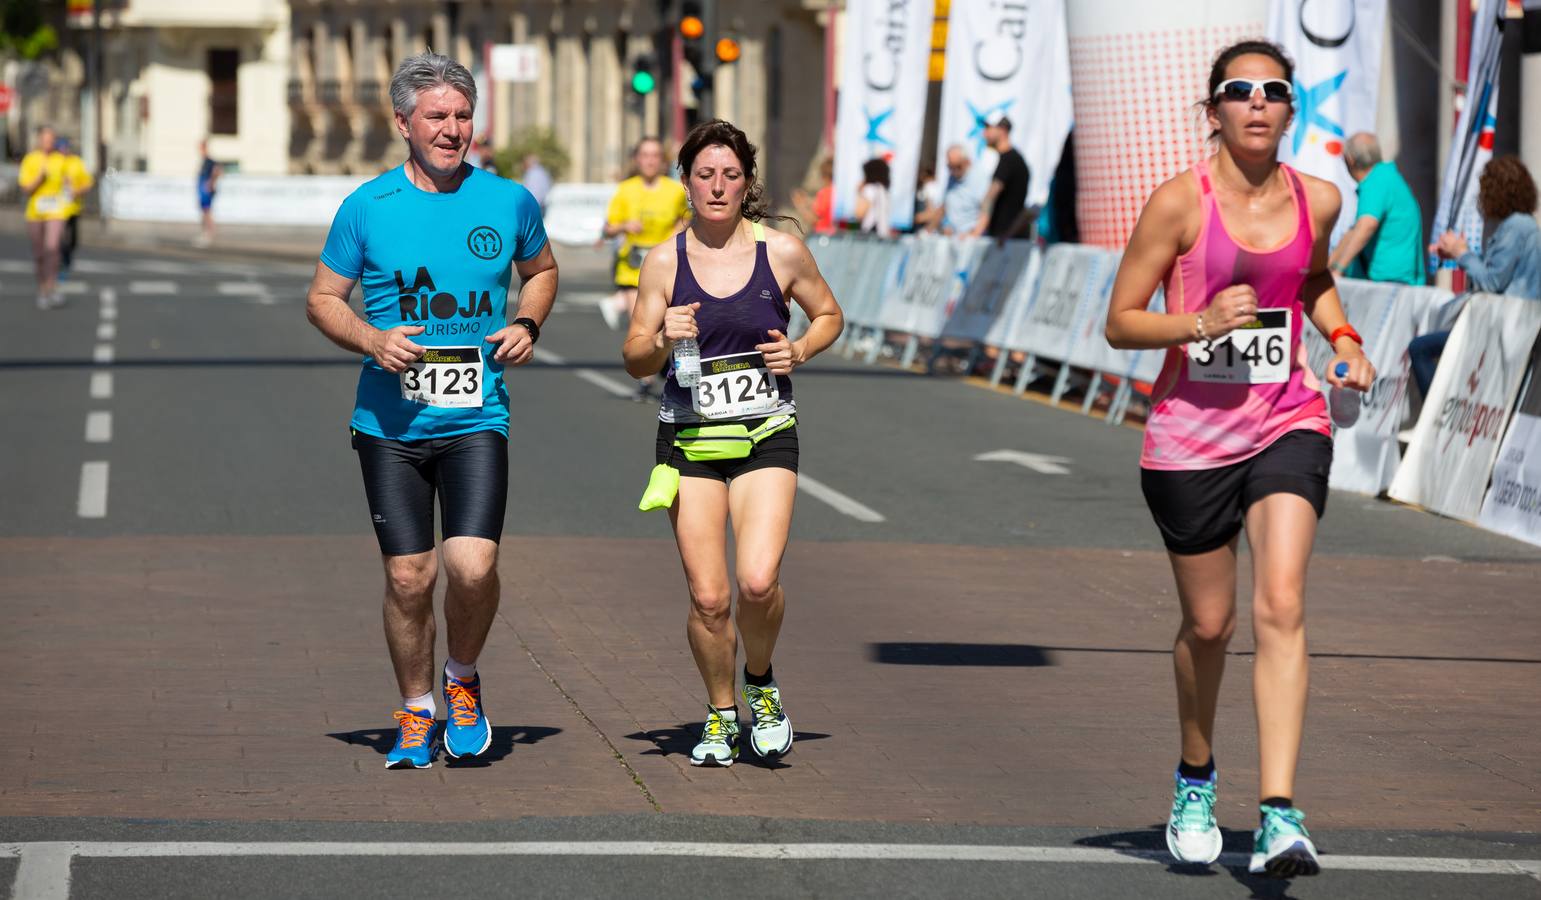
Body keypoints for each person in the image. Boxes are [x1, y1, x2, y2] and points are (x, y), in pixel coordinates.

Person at [1104, 40, 1374, 878]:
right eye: (1238, 90)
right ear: (1213, 109)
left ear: (1290, 110)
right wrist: (1197, 324)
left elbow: (1313, 279)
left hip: (1286, 419)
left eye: (1273, 91)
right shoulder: (1177, 205)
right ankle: (1195, 774)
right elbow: (1119, 320)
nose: (1256, 103)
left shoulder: (1319, 199)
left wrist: (1342, 338)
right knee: (1210, 626)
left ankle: (1279, 813)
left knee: (1280, 601)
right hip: (1188, 438)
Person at [305, 51, 558, 770]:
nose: (452, 130)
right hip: (388, 427)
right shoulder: (367, 207)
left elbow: (541, 271)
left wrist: (528, 324)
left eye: (462, 116)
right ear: (403, 123)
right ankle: (416, 710)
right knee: (409, 578)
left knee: (471, 567)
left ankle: (462, 681)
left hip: (477, 419)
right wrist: (371, 338)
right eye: (437, 117)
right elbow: (322, 299)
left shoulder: (507, 201)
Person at [622, 119, 843, 767]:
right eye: (704, 174)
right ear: (685, 182)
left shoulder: (781, 252)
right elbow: (634, 358)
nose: (717, 186)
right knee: (709, 597)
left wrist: (798, 346)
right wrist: (661, 335)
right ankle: (720, 713)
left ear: (746, 182)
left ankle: (761, 682)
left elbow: (828, 314)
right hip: (688, 443)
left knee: (755, 581)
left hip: (763, 433)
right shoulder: (664, 260)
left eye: (730, 175)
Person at [1413, 156, 1541, 397]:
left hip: (1506, 325)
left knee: (1419, 349)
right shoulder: (1520, 225)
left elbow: (1492, 283)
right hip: (1508, 323)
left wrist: (1461, 253)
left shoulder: (1516, 226)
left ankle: (1436, 421)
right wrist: (1458, 254)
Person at [601, 137, 691, 401]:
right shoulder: (625, 190)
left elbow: (686, 220)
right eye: (645, 155)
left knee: (667, 321)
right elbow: (608, 228)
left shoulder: (674, 191)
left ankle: (665, 365)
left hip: (666, 265)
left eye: (655, 155)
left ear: (662, 161)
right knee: (641, 324)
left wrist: (675, 233)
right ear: (637, 160)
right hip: (632, 266)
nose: (650, 160)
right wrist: (624, 226)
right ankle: (646, 381)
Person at [1326, 133, 1425, 285]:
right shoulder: (1386, 177)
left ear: (1350, 160)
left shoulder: (1376, 181)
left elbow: (1366, 226)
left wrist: (1338, 270)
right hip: (1393, 281)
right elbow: (1354, 231)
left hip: (1391, 283)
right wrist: (1326, 270)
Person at [18, 126, 69, 309]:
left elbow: (69, 184)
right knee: (39, 252)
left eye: (51, 139)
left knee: (52, 248)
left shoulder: (60, 160)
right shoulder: (31, 160)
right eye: (45, 139)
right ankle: (42, 288)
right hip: (35, 212)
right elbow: (25, 188)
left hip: (55, 211)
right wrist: (39, 178)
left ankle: (51, 286)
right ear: (39, 140)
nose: (48, 142)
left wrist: (70, 188)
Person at [971, 112, 1032, 241]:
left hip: (1008, 244)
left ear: (1002, 130)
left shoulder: (1010, 160)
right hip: (1004, 240)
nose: (984, 134)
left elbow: (990, 198)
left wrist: (976, 233)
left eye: (988, 128)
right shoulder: (1007, 159)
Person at [56, 136, 94, 280]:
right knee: (59, 240)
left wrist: (77, 191)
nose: (64, 151)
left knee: (73, 240)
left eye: (66, 148)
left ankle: (66, 259)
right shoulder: (53, 161)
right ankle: (61, 263)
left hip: (73, 208)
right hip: (56, 210)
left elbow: (88, 182)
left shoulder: (76, 162)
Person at [791, 158, 835, 235]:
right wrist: (806, 200)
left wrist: (799, 205)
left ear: (825, 176)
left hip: (823, 236)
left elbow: (813, 219)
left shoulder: (825, 193)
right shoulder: (839, 192)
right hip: (837, 234)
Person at [193, 140, 222, 247]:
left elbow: (218, 170)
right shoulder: (204, 160)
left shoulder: (209, 161)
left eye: (200, 148)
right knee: (205, 212)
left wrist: (211, 183)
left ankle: (209, 234)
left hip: (206, 191)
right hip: (202, 191)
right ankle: (207, 233)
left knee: (207, 212)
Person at [854, 157, 892, 237]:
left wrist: (858, 193)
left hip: (869, 235)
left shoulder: (869, 190)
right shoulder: (883, 190)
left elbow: (859, 214)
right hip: (883, 234)